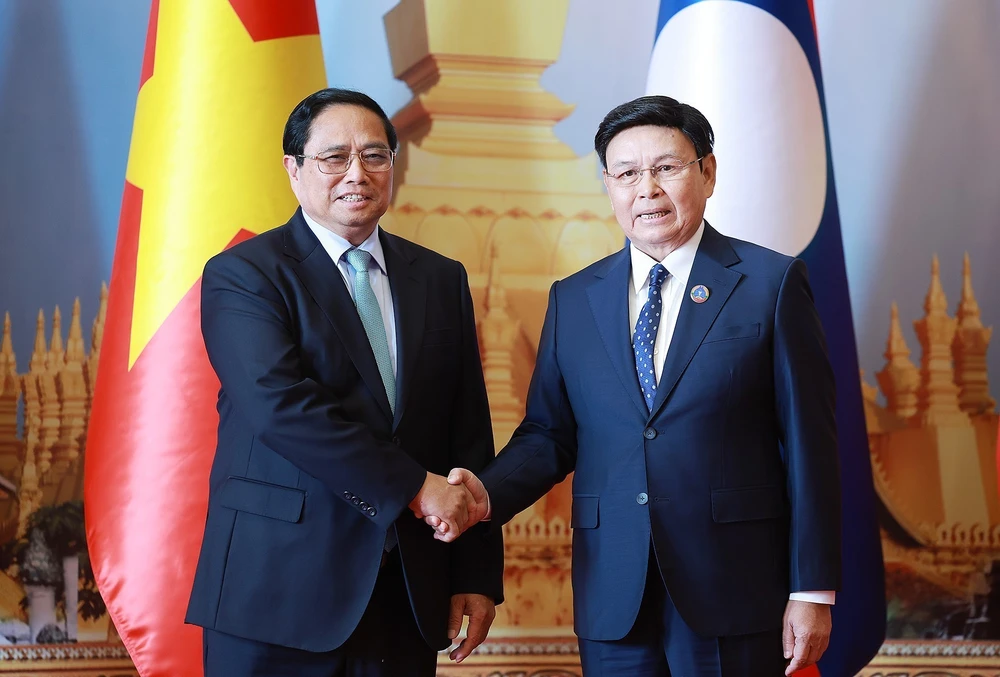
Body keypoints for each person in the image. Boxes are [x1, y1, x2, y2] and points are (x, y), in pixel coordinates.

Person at [440, 95, 841, 676]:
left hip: (733, 587)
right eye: (627, 173)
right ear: (608, 186)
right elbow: (549, 435)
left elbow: (810, 445)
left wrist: (813, 590)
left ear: (706, 172)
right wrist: (484, 494)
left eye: (666, 168)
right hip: (614, 592)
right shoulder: (574, 298)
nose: (646, 189)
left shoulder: (770, 285)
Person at [185, 88, 500, 677]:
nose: (357, 173)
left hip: (404, 591)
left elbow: (467, 432)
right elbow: (279, 405)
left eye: (376, 156)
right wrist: (414, 485)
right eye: (334, 158)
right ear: (295, 170)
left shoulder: (439, 278)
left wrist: (476, 574)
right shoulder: (244, 274)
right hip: (275, 592)